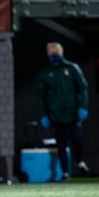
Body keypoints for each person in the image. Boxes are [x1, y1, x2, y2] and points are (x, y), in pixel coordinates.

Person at [37, 42, 90, 181]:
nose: (53, 54)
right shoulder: (45, 73)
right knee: (61, 144)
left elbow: (82, 88)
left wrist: (83, 106)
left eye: (56, 51)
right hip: (56, 116)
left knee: (77, 139)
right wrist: (44, 115)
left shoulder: (72, 68)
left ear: (61, 52)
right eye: (51, 52)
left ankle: (79, 161)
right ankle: (65, 172)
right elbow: (41, 96)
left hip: (73, 113)